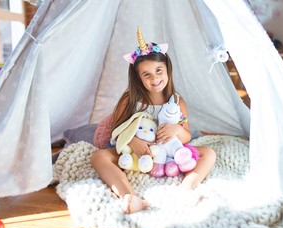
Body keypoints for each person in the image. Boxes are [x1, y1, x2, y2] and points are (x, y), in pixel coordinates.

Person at [90, 27, 216, 214]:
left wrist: (176, 130)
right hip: (138, 156)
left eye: (159, 71)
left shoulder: (177, 102)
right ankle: (130, 196)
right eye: (146, 74)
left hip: (170, 156)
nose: (155, 78)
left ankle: (186, 189)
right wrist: (133, 141)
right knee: (99, 157)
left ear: (168, 70)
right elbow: (116, 130)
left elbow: (187, 136)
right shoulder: (130, 100)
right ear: (138, 78)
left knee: (208, 153)